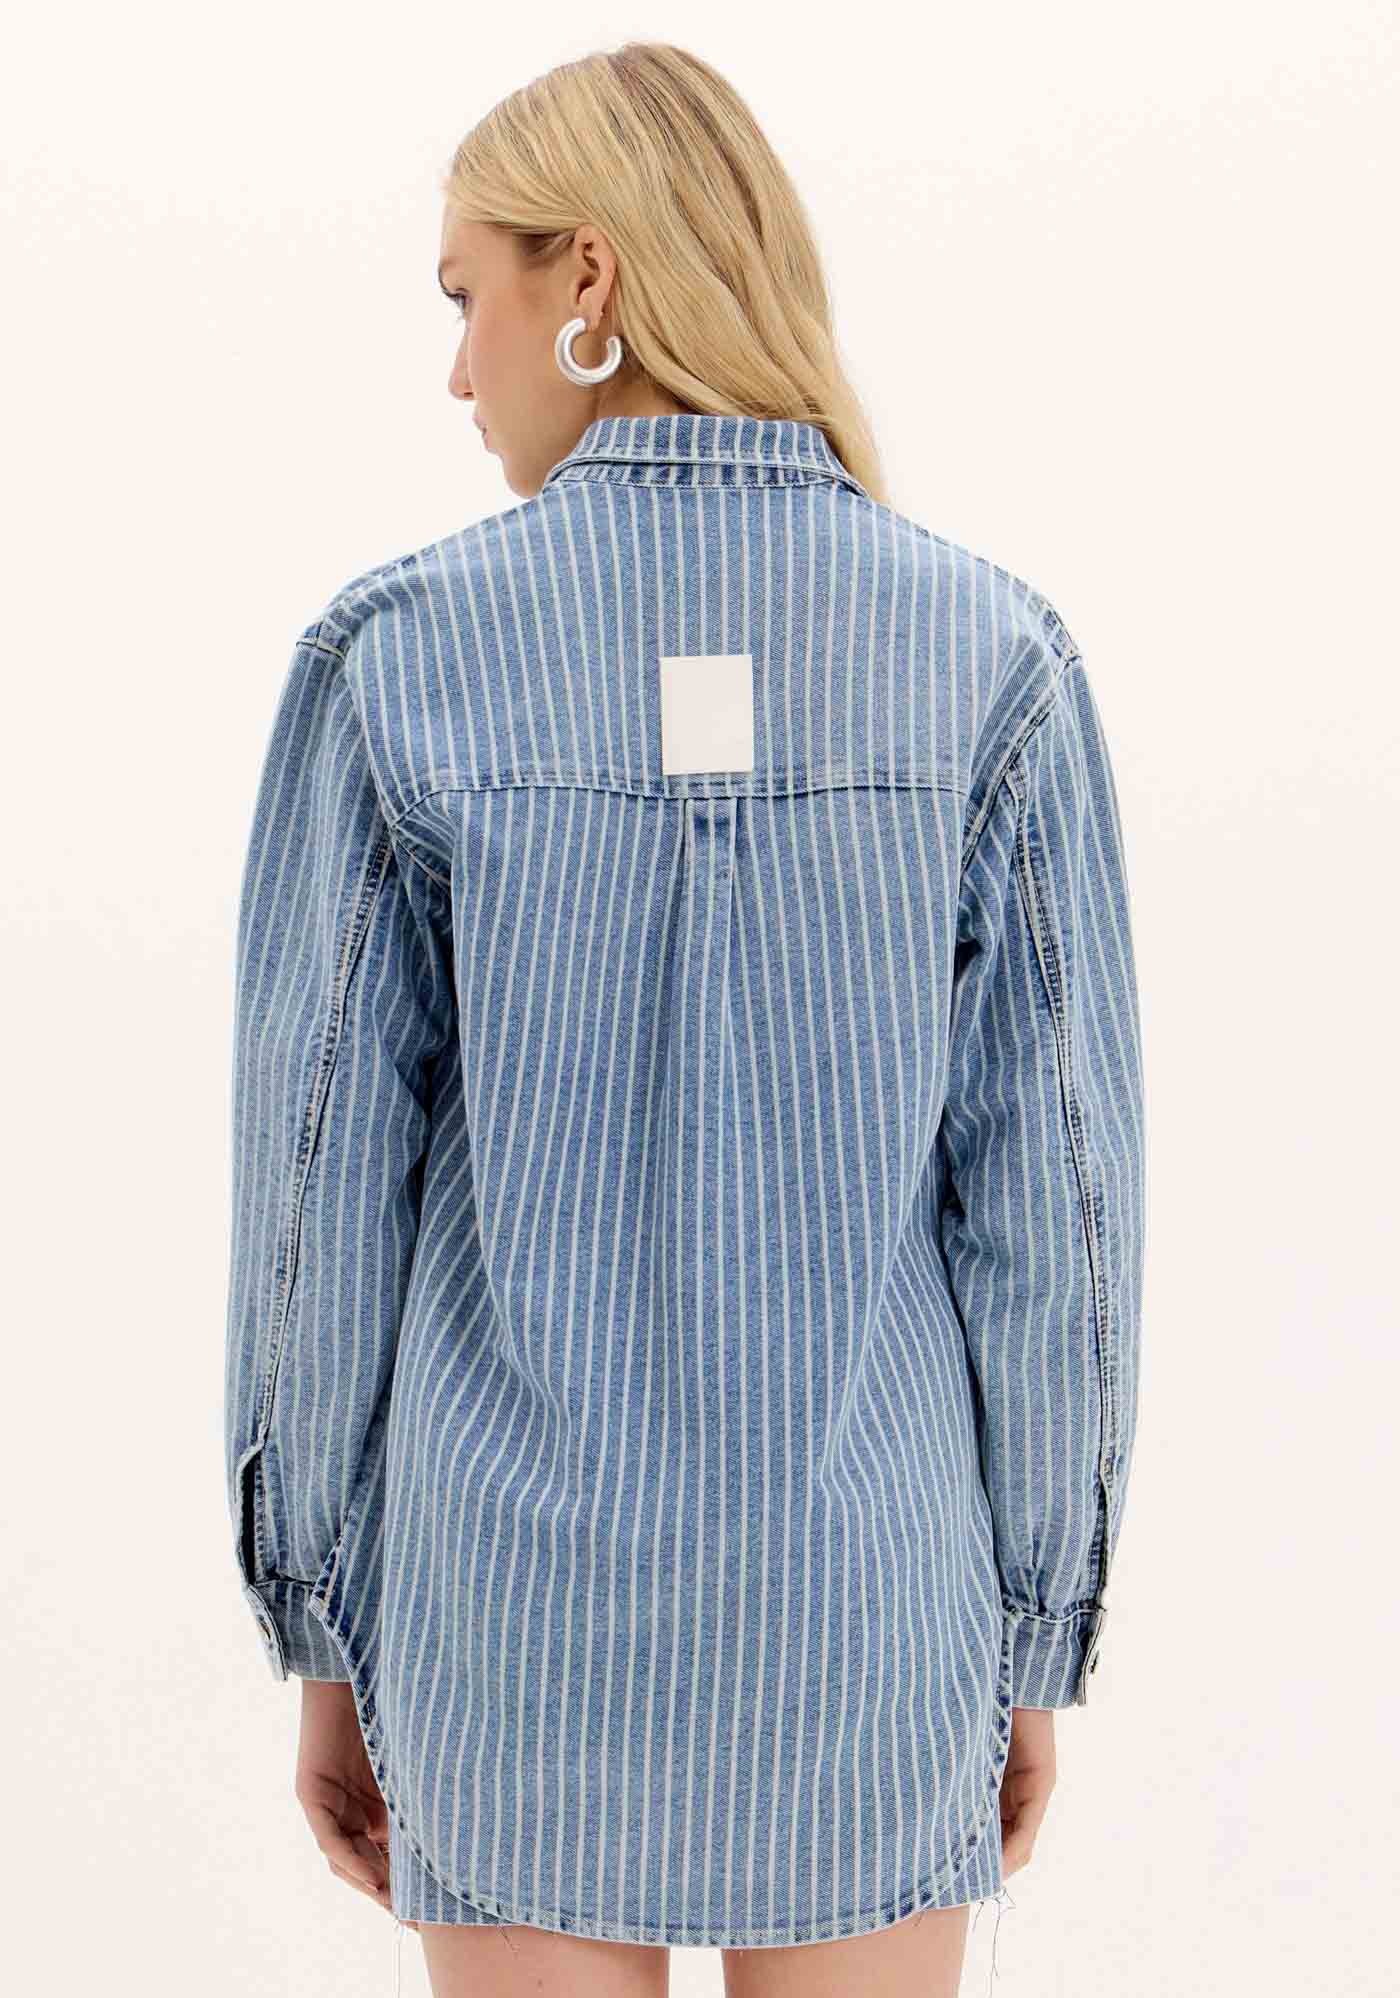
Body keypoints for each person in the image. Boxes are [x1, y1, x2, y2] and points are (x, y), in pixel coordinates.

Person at [223, 39, 1146, 1998]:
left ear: (589, 279)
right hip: (870, 1609)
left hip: (506, 1618)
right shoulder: (990, 663)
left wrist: (319, 1623)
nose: (456, 371)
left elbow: (313, 1197)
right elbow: (1060, 1212)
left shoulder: (400, 661)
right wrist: (1029, 1634)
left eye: (465, 297)